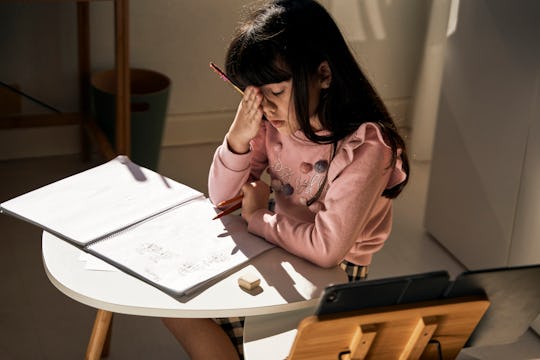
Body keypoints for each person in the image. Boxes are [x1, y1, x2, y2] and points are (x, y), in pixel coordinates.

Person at [162, 0, 409, 358]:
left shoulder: (366, 147)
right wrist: (237, 139)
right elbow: (222, 198)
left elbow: (326, 251)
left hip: (335, 274)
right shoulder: (274, 123)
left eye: (275, 92)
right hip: (278, 244)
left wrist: (258, 217)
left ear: (324, 75)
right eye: (255, 95)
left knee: (226, 327)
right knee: (173, 300)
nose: (265, 107)